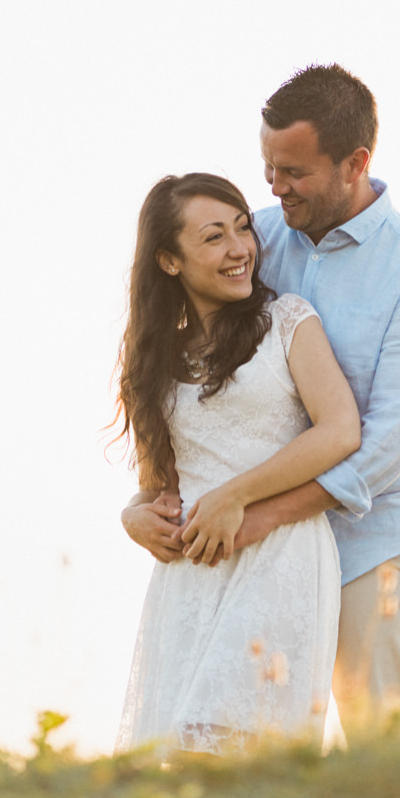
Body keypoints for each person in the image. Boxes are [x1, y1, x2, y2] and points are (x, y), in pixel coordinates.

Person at [122, 63, 400, 739]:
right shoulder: (258, 240)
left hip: (380, 536)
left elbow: (381, 449)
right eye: (269, 168)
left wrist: (255, 511)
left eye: (294, 173)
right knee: (244, 739)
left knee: (379, 747)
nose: (275, 188)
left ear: (354, 163)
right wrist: (142, 508)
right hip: (258, 551)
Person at [114, 173, 360, 756]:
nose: (239, 249)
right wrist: (133, 515)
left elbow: (340, 430)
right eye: (214, 237)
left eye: (243, 229)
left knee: (238, 744)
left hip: (280, 557)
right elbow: (157, 484)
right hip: (192, 572)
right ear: (170, 260)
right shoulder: (155, 359)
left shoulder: (288, 321)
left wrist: (236, 496)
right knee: (179, 761)